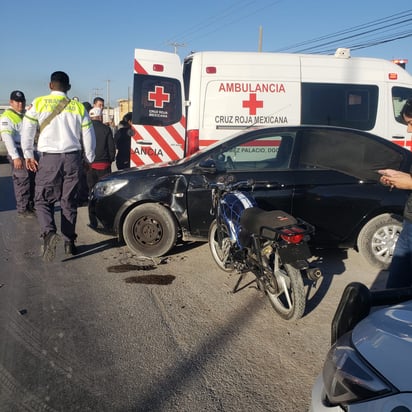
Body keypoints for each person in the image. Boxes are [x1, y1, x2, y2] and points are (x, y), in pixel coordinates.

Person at [21, 71, 96, 262]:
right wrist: (88, 159)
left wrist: (28, 154)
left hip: (49, 160)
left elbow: (27, 129)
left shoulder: (38, 103)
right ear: (68, 88)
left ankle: (48, 232)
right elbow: (88, 135)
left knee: (42, 200)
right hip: (72, 159)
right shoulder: (78, 107)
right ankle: (70, 242)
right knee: (68, 202)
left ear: (50, 85)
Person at [379, 98, 412, 288]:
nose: (408, 130)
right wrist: (398, 177)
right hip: (409, 222)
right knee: (395, 288)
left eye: (411, 123)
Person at [0, 90, 36, 217]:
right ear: (11, 102)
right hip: (18, 150)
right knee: (22, 179)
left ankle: (30, 203)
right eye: (17, 101)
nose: (20, 104)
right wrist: (15, 157)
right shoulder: (6, 117)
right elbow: (7, 137)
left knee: (32, 178)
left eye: (22, 101)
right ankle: (23, 208)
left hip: (29, 150)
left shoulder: (25, 114)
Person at [87, 107, 115, 191]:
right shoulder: (106, 129)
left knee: (91, 188)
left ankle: (91, 203)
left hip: (89, 165)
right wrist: (110, 159)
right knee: (104, 189)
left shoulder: (86, 129)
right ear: (100, 117)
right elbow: (111, 146)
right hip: (104, 164)